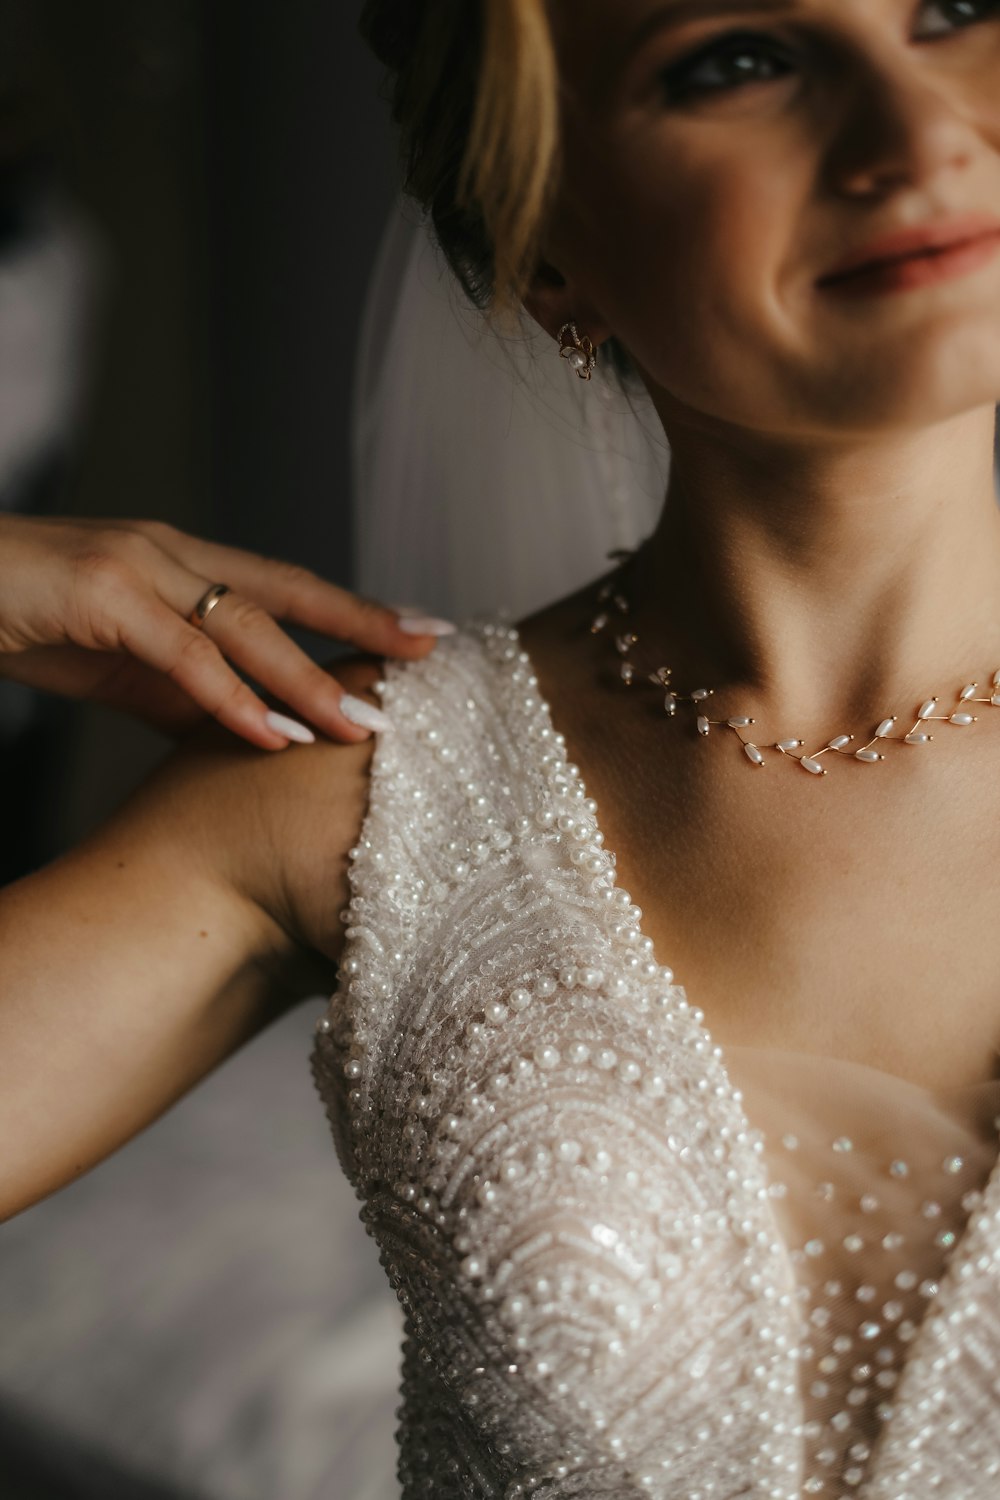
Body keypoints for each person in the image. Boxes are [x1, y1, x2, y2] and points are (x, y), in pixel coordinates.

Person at [5, 1, 1000, 1496]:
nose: (919, 131)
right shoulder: (345, 789)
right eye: (735, 60)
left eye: (955, 10)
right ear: (542, 242)